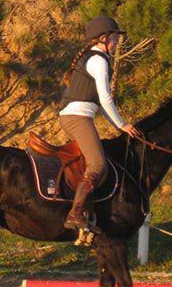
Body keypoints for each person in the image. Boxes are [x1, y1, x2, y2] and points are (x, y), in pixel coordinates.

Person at [59, 15, 141, 240]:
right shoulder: (99, 61)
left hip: (76, 116)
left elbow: (100, 103)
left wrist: (119, 124)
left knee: (94, 162)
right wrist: (122, 124)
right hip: (77, 117)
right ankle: (75, 213)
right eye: (114, 37)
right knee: (98, 164)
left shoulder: (96, 58)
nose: (116, 41)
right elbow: (105, 99)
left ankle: (89, 212)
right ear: (103, 38)